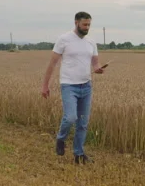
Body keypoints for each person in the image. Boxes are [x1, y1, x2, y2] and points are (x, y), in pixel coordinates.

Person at [41, 11, 104, 164]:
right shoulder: (64, 39)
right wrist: (45, 85)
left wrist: (98, 68)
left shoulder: (91, 42)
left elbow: (95, 62)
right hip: (69, 85)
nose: (87, 27)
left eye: (89, 24)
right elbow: (52, 64)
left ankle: (79, 154)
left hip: (86, 85)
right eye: (84, 24)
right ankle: (61, 139)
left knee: (83, 122)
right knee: (70, 117)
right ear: (76, 23)